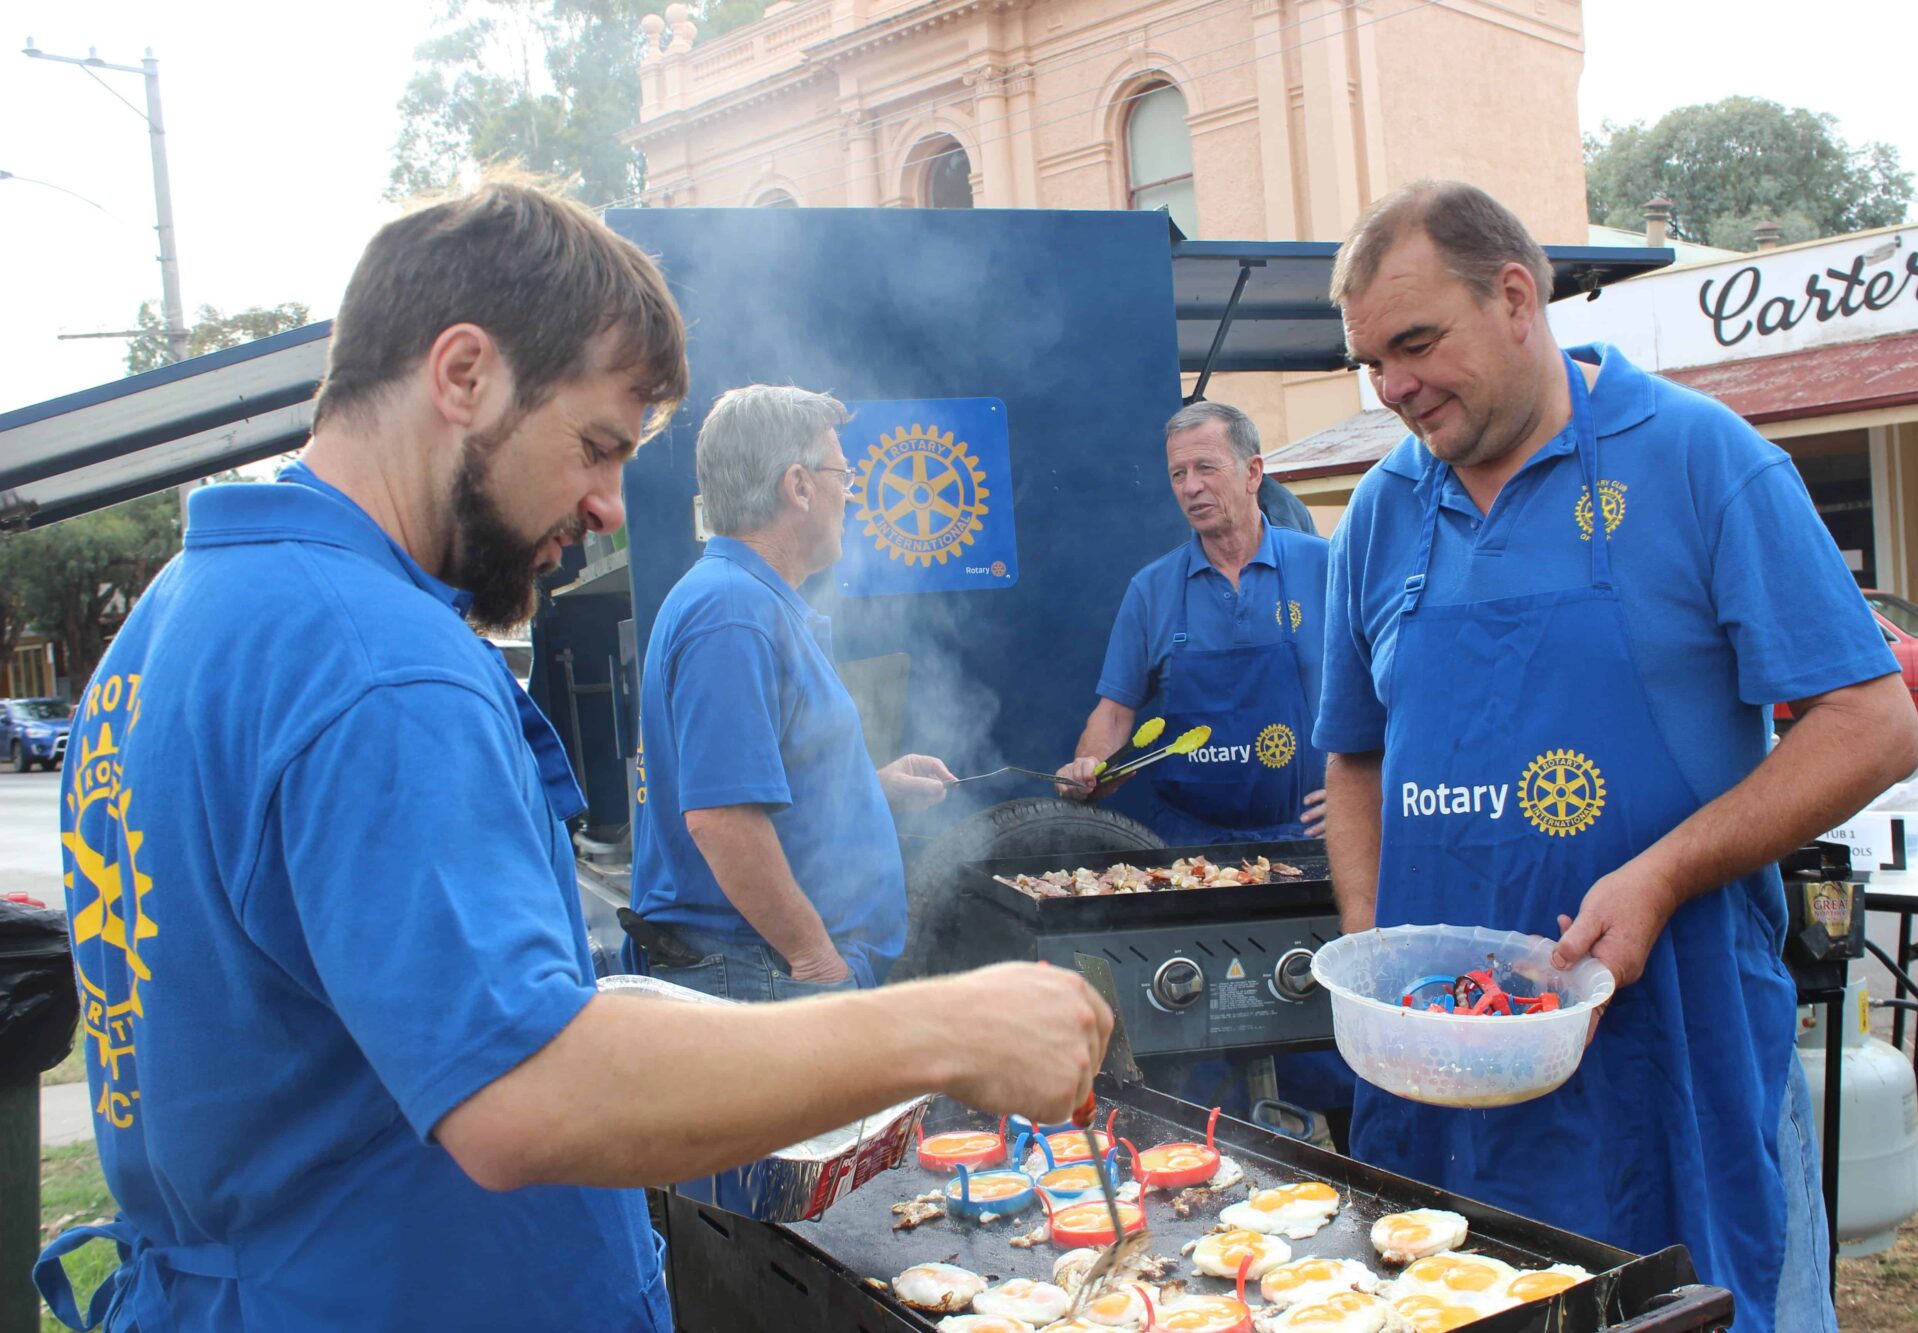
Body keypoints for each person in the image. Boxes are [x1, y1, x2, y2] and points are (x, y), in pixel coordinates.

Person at [36, 185, 1111, 1333]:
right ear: (462, 374)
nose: (607, 506)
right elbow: (518, 1093)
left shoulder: (183, 613)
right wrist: (949, 1026)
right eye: (595, 446)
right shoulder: (378, 665)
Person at [1316, 180, 1918, 1333]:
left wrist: (1658, 874)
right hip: (1443, 1054)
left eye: (1414, 344)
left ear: (1512, 296)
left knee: (1692, 1305)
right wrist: (1374, 951)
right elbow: (1353, 757)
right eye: (1369, 364)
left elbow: (1870, 721)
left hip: (1669, 1034)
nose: (1391, 388)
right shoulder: (1378, 514)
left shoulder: (1701, 460)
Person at [628, 384, 955, 998]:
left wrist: (867, 789)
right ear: (798, 486)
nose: (851, 496)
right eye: (844, 475)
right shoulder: (733, 611)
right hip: (762, 972)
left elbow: (754, 784)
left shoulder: (746, 602)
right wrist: (816, 962)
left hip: (763, 966)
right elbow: (722, 820)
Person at [1056, 401, 1330, 846]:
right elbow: (1115, 711)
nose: (1190, 487)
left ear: (1253, 473)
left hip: (1313, 840)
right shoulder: (1152, 589)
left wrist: (1365, 792)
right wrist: (1090, 767)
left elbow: (1384, 695)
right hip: (1191, 851)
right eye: (1178, 474)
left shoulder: (1326, 566)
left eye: (1205, 467)